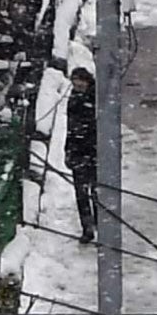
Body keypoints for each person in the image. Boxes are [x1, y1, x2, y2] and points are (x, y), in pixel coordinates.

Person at [62, 66, 100, 243]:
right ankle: (87, 228)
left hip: (93, 151)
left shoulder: (96, 98)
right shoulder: (74, 99)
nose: (77, 86)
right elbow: (70, 127)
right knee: (81, 193)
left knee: (97, 191)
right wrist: (68, 150)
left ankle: (101, 226)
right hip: (79, 151)